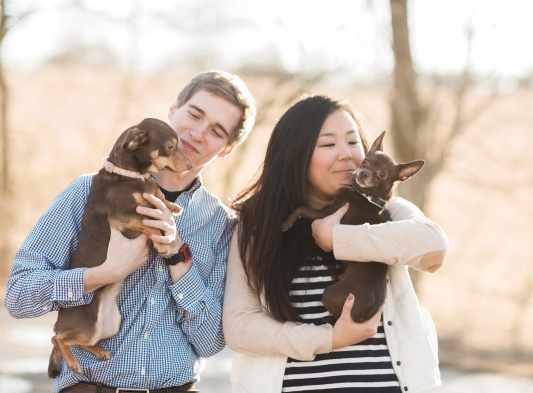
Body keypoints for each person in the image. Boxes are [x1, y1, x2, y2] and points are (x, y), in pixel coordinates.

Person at [5, 70, 256, 393]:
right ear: (172, 110)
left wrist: (178, 257)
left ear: (226, 149)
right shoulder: (86, 192)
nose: (197, 133)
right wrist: (100, 274)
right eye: (194, 114)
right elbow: (18, 296)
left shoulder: (221, 225)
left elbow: (210, 342)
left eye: (217, 131)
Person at [222, 95, 448, 393]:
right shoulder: (257, 226)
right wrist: (329, 339)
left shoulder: (388, 210)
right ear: (295, 154)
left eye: (354, 143)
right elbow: (240, 328)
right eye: (328, 144)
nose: (346, 154)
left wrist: (337, 238)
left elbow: (433, 246)